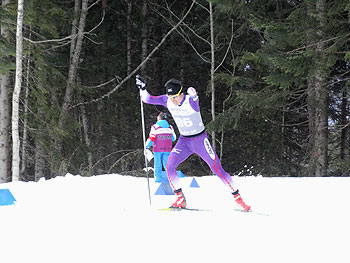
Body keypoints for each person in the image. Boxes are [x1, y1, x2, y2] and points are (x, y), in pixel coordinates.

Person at [136, 75, 251, 212]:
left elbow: (195, 103)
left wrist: (195, 95)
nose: (173, 100)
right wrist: (143, 89)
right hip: (184, 142)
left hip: (200, 141)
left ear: (181, 93)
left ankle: (238, 199)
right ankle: (180, 199)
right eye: (170, 97)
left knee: (217, 169)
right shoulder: (168, 100)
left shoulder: (189, 101)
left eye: (175, 97)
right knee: (169, 166)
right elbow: (148, 99)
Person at [145, 112, 176, 182]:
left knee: (157, 166)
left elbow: (152, 138)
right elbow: (174, 138)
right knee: (167, 165)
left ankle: (158, 181)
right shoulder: (170, 127)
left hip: (157, 149)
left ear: (158, 118)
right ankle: (172, 181)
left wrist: (146, 146)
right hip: (167, 148)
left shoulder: (155, 127)